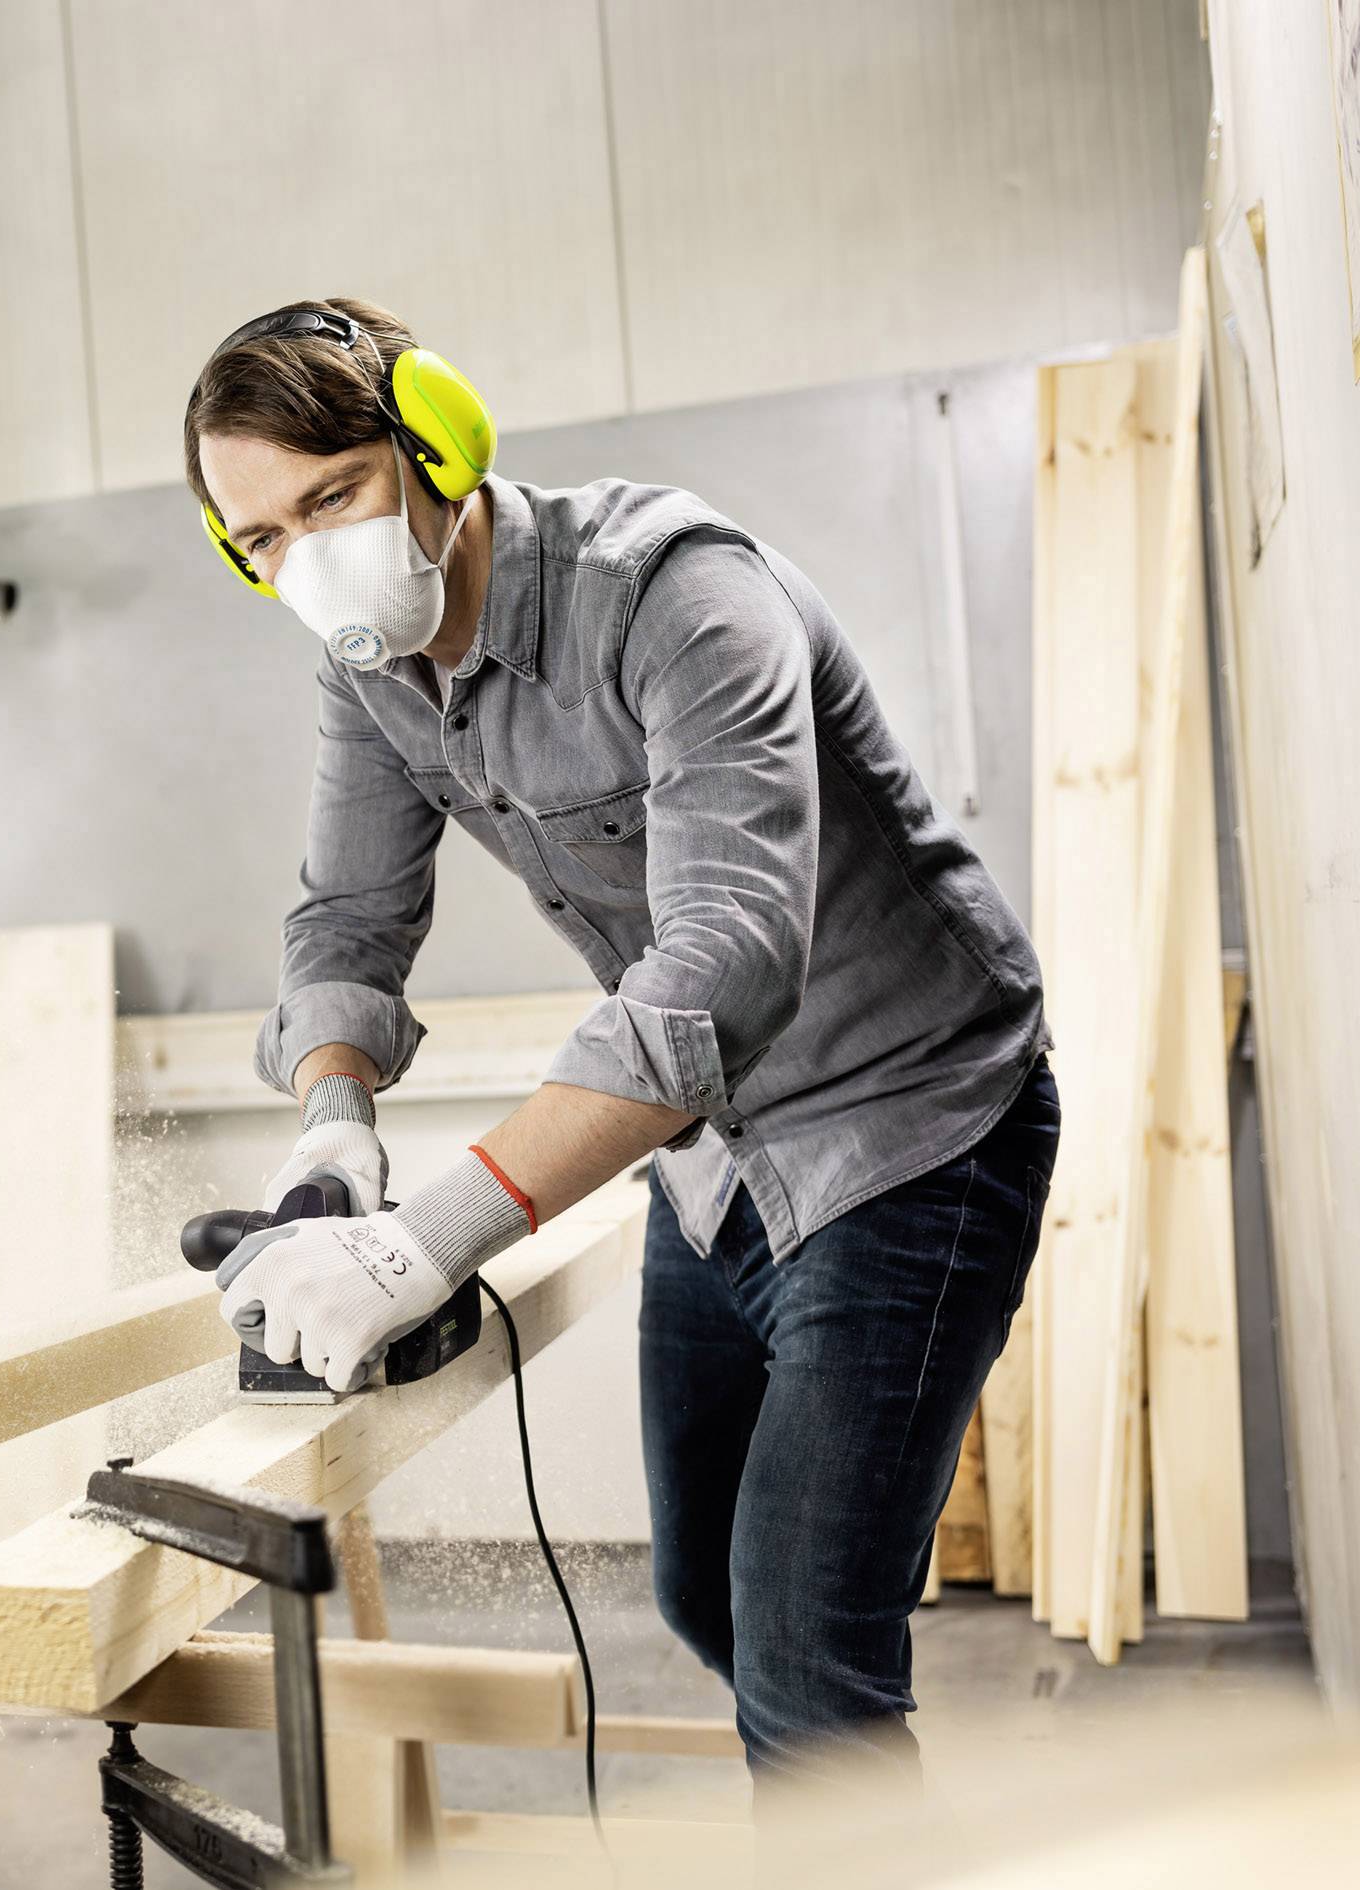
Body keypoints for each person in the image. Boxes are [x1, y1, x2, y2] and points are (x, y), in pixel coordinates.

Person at [191, 298, 1060, 1788]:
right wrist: (336, 1131)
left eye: (331, 496)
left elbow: (723, 961)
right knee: (702, 1595)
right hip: (718, 1156)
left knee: (804, 1660)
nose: (306, 556)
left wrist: (424, 1241)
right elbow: (344, 916)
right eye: (261, 536)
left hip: (910, 1129)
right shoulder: (367, 667)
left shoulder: (674, 593)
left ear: (436, 443)